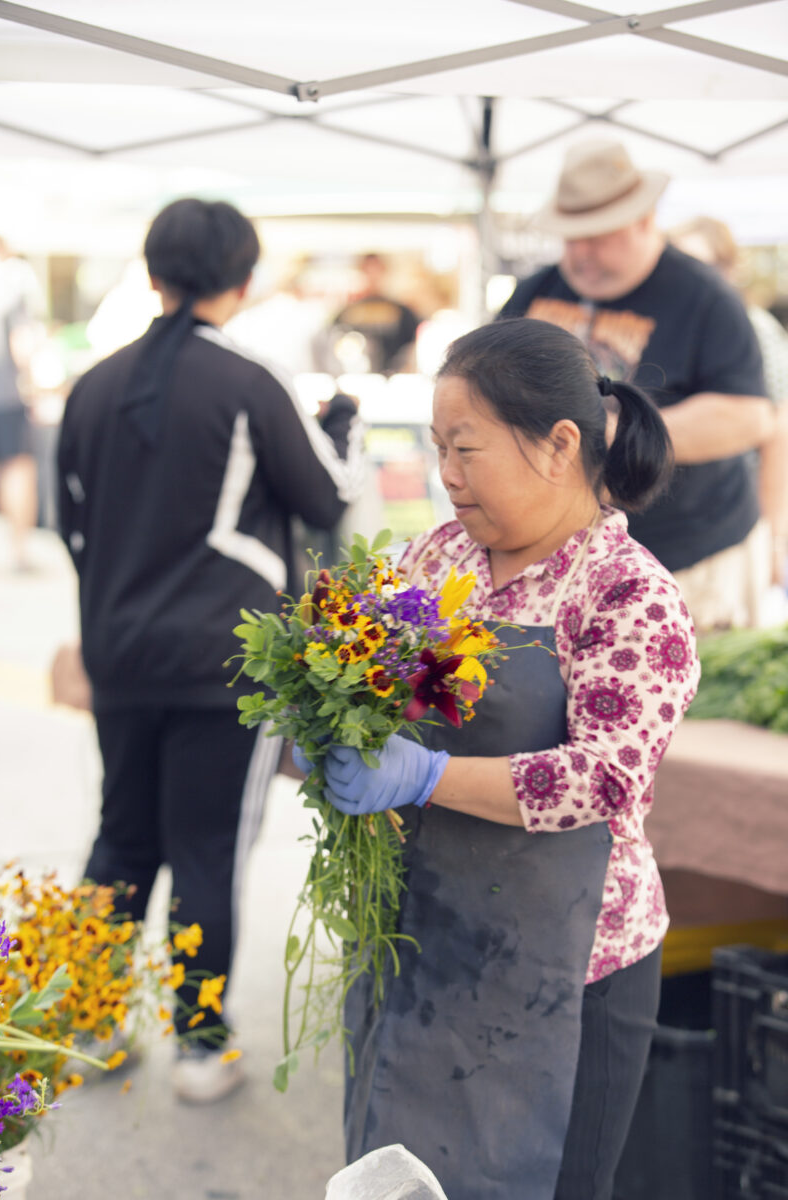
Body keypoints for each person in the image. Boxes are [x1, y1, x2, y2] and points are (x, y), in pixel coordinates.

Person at [296, 318, 700, 1200]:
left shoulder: (628, 594)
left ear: (559, 445)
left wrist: (427, 774)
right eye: (438, 447)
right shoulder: (440, 557)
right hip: (425, 942)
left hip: (572, 970)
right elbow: (371, 674)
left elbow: (603, 778)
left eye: (466, 448)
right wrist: (329, 724)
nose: (446, 474)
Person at [57, 198, 365, 1103]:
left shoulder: (92, 384)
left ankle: (90, 1021)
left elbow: (73, 529)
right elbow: (328, 496)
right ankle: (201, 1045)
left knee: (121, 835)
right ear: (243, 278)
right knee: (205, 847)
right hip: (224, 660)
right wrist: (341, 422)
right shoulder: (247, 379)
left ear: (152, 272)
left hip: (118, 653)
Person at [499, 139, 775, 632]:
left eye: (598, 236)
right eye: (571, 237)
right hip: (567, 556)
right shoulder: (538, 288)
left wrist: (608, 431)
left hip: (689, 557)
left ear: (645, 220)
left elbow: (748, 416)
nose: (581, 253)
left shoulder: (704, 297)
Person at [669, 215, 788, 597]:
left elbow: (777, 432)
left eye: (701, 264)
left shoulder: (754, 328)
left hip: (728, 521)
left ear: (728, 268)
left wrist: (774, 533)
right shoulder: (673, 324)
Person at [0, 234, 41, 571]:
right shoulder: (9, 284)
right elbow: (21, 344)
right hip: (4, 393)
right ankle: (18, 553)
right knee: (17, 469)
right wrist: (33, 386)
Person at [325, 252, 421, 375]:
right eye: (368, 270)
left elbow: (409, 347)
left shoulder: (400, 312)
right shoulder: (348, 312)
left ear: (384, 271)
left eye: (376, 270)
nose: (373, 276)